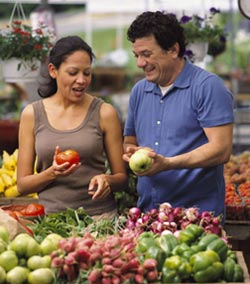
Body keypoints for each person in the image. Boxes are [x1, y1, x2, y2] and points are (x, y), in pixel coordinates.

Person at [123, 11, 234, 219]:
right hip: (149, 215)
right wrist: (132, 153)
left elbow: (221, 150)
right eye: (136, 56)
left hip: (198, 217)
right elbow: (129, 141)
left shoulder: (207, 87)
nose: (140, 63)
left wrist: (168, 163)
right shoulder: (139, 91)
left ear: (173, 50)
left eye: (146, 54)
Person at [17, 35, 128, 219]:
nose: (81, 80)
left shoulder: (105, 113)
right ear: (53, 71)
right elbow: (22, 185)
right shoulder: (32, 114)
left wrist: (107, 180)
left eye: (87, 73)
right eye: (73, 72)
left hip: (99, 219)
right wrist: (52, 173)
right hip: (51, 222)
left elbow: (121, 178)